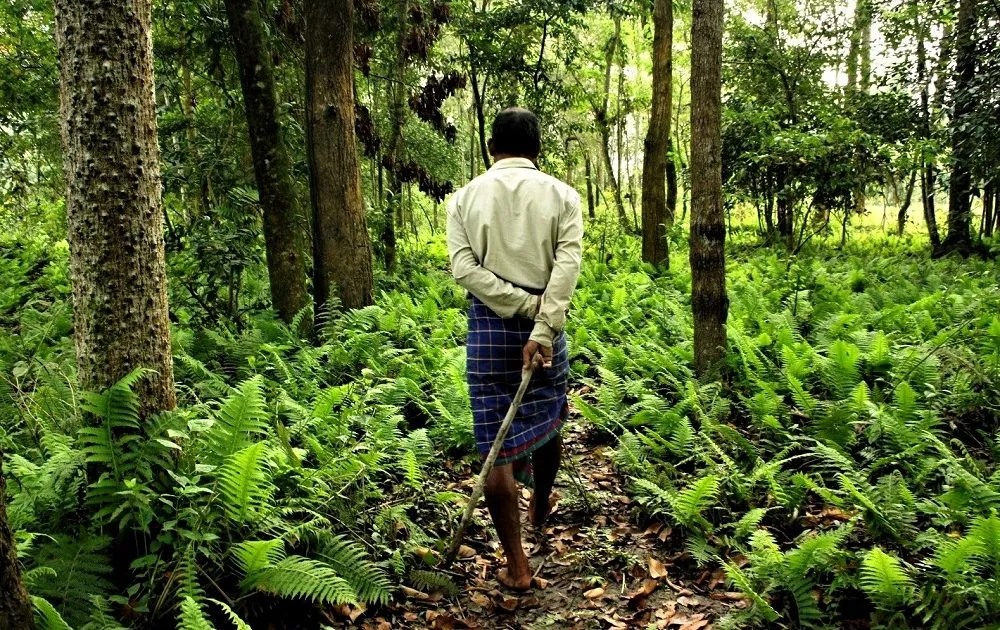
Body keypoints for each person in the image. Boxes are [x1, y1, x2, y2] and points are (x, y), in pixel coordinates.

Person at [446, 107, 584, 590]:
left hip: (487, 329)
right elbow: (565, 270)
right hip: (544, 331)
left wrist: (518, 306)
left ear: (490, 147)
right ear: (538, 149)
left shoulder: (463, 199)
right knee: (549, 418)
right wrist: (541, 323)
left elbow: (464, 269)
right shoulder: (563, 196)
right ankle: (541, 505)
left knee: (494, 446)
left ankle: (517, 566)